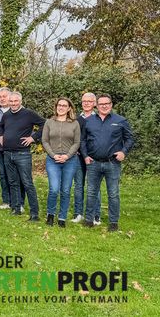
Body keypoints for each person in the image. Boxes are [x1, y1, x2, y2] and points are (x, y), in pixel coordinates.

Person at [80, 94, 134, 232]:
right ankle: (89, 220)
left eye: (107, 103)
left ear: (111, 104)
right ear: (96, 106)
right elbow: (83, 140)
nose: (104, 106)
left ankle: (113, 222)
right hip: (93, 163)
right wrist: (85, 156)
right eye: (101, 104)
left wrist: (123, 152)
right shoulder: (89, 121)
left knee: (113, 193)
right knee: (91, 192)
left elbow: (129, 139)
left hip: (112, 163)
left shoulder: (121, 120)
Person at [0, 92, 44, 221]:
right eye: (11, 101)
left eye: (15, 101)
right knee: (13, 182)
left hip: (23, 154)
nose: (13, 103)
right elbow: (0, 127)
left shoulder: (28, 114)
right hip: (7, 153)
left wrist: (33, 138)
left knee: (27, 183)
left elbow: (44, 124)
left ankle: (34, 213)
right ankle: (16, 208)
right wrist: (0, 136)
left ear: (20, 101)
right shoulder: (6, 115)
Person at [42, 98, 81, 227]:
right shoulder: (49, 122)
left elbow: (77, 142)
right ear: (56, 107)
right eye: (59, 105)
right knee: (54, 189)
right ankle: (50, 214)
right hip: (52, 160)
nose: (61, 107)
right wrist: (53, 155)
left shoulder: (75, 123)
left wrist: (67, 156)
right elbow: (45, 141)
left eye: (64, 105)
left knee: (65, 190)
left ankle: (62, 217)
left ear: (69, 108)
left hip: (70, 161)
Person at [71, 92, 101, 224]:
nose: (86, 103)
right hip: (78, 157)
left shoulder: (100, 118)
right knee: (78, 185)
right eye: (84, 101)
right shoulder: (76, 119)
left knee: (94, 187)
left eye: (89, 101)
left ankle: (95, 215)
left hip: (94, 157)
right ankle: (78, 213)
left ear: (94, 103)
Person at [0, 87, 23, 210]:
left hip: (16, 150)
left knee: (17, 176)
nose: (2, 99)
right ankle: (6, 201)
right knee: (3, 175)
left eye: (5, 96)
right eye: (0, 97)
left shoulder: (19, 111)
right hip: (0, 149)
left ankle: (19, 202)